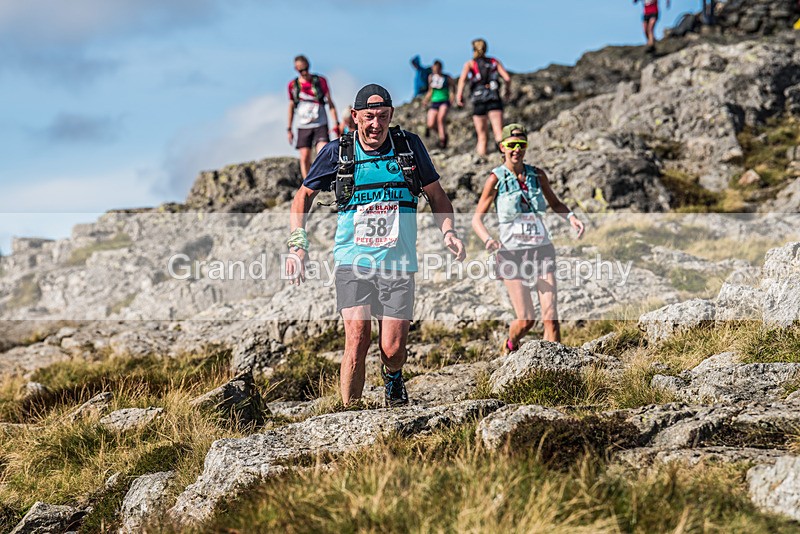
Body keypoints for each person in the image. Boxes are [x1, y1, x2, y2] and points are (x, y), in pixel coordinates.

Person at [285, 84, 466, 407]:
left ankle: (393, 378)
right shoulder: (338, 152)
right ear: (355, 117)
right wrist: (298, 244)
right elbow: (303, 196)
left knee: (393, 350)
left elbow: (437, 196)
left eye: (382, 117)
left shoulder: (408, 147)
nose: (375, 125)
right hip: (352, 261)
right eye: (368, 117)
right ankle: (349, 414)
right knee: (357, 337)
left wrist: (448, 231)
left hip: (399, 262)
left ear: (391, 115)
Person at [471, 123, 585, 352]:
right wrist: (488, 240)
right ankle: (510, 345)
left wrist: (571, 217)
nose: (517, 150)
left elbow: (555, 203)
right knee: (526, 319)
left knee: (551, 316)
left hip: (541, 249)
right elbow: (476, 219)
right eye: (512, 145)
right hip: (511, 254)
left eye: (521, 145)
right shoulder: (496, 179)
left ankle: (556, 371)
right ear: (502, 146)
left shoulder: (537, 175)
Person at [456, 39, 512, 157]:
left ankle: (481, 160)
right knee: (499, 133)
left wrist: (459, 95)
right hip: (494, 98)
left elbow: (462, 80)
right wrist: (507, 91)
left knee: (481, 136)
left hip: (478, 100)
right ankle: (505, 157)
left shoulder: (470, 64)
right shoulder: (494, 62)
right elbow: (507, 78)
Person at [287, 55, 340, 178]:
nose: (304, 72)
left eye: (306, 68)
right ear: (296, 69)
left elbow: (330, 103)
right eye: (301, 70)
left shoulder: (320, 81)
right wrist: (289, 128)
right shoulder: (293, 86)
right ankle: (307, 183)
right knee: (304, 156)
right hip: (303, 125)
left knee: (323, 152)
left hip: (320, 122)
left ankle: (325, 179)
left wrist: (336, 123)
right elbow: (291, 106)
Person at [423, 60, 454, 149]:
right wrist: (426, 100)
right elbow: (430, 90)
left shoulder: (446, 77)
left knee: (440, 119)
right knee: (430, 123)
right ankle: (442, 134)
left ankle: (442, 140)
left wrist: (452, 97)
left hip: (444, 101)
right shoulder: (431, 77)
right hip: (434, 102)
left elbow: (453, 87)